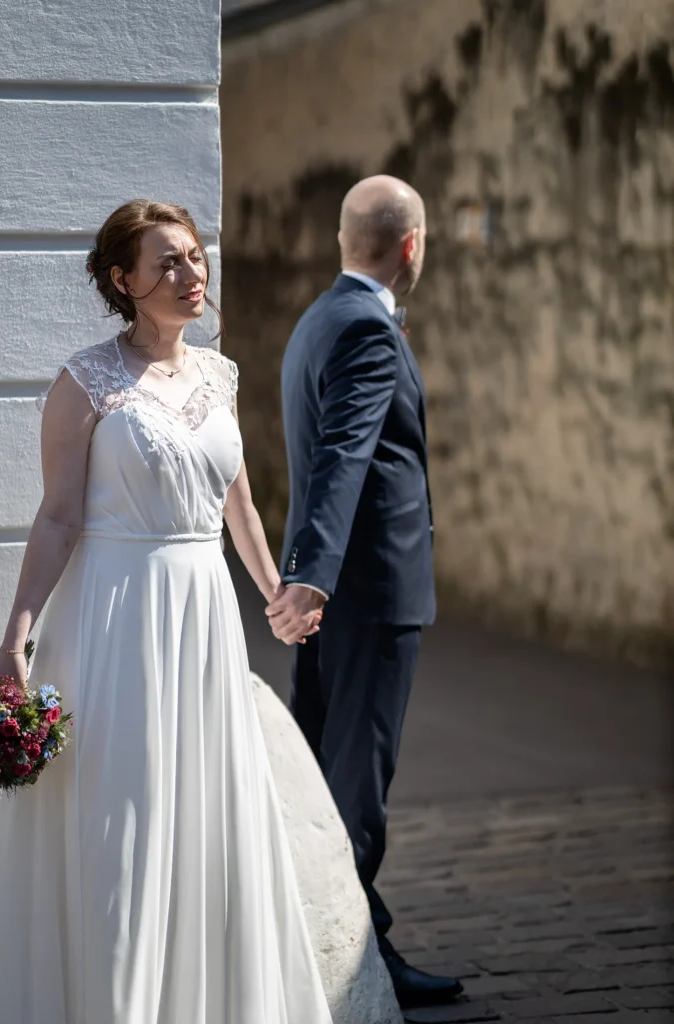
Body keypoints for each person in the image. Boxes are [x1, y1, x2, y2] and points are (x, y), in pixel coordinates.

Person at [0, 200, 331, 1024]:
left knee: (206, 819)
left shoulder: (220, 375)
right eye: (168, 262)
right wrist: (14, 641)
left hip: (204, 618)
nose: (191, 275)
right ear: (123, 281)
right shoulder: (84, 382)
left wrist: (273, 592)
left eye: (194, 257)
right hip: (116, 617)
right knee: (123, 824)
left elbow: (238, 507)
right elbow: (60, 515)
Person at [267, 175, 464, 1009]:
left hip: (335, 593)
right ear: (410, 245)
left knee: (324, 774)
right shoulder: (367, 332)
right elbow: (343, 458)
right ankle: (350, 966)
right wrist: (310, 578)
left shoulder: (319, 319)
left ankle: (352, 937)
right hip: (367, 595)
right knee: (354, 789)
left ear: (346, 241)